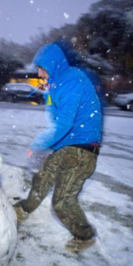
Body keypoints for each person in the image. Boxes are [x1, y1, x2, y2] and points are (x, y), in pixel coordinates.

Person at [14, 41, 103, 253]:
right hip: (68, 145)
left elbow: (64, 123)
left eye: (40, 68)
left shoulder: (72, 81)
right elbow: (55, 115)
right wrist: (48, 94)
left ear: (51, 64)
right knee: (43, 178)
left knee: (62, 202)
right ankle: (24, 210)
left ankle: (85, 235)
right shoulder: (60, 82)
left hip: (82, 149)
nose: (39, 73)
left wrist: (38, 143)